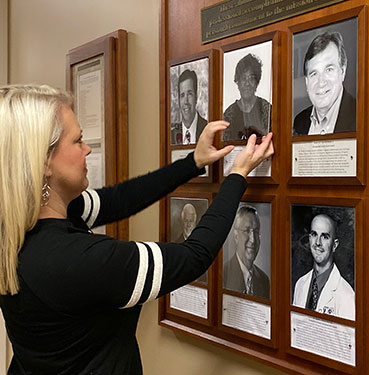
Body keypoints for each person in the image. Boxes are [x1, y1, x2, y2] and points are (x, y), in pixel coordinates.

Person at [0, 84, 274, 374]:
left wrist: (193, 162)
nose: (87, 148)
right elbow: (193, 257)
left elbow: (122, 199)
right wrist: (237, 175)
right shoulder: (71, 259)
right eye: (78, 140)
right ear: (44, 161)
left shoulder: (25, 223)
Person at [293, 31, 356, 136]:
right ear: (307, 82)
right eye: (314, 74)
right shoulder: (300, 121)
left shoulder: (362, 116)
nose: (321, 82)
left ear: (342, 71)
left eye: (329, 69)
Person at [292, 214, 355, 320]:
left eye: (324, 237)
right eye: (314, 234)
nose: (318, 242)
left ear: (334, 245)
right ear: (309, 238)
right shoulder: (300, 284)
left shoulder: (346, 296)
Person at [223, 205, 270, 299]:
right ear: (236, 236)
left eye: (256, 232)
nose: (253, 240)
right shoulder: (223, 275)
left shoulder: (264, 280)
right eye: (247, 231)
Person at [223, 53, 271, 141]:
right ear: (237, 82)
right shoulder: (229, 114)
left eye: (251, 78)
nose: (247, 83)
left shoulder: (267, 109)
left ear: (257, 82)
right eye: (243, 78)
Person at [171, 69, 207, 144]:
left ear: (196, 97)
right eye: (182, 95)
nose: (186, 101)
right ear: (178, 100)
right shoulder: (171, 136)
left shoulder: (207, 130)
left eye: (190, 94)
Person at [174, 203, 207, 283]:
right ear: (182, 221)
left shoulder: (203, 244)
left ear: (195, 221)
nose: (188, 225)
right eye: (186, 221)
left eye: (191, 221)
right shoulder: (176, 244)